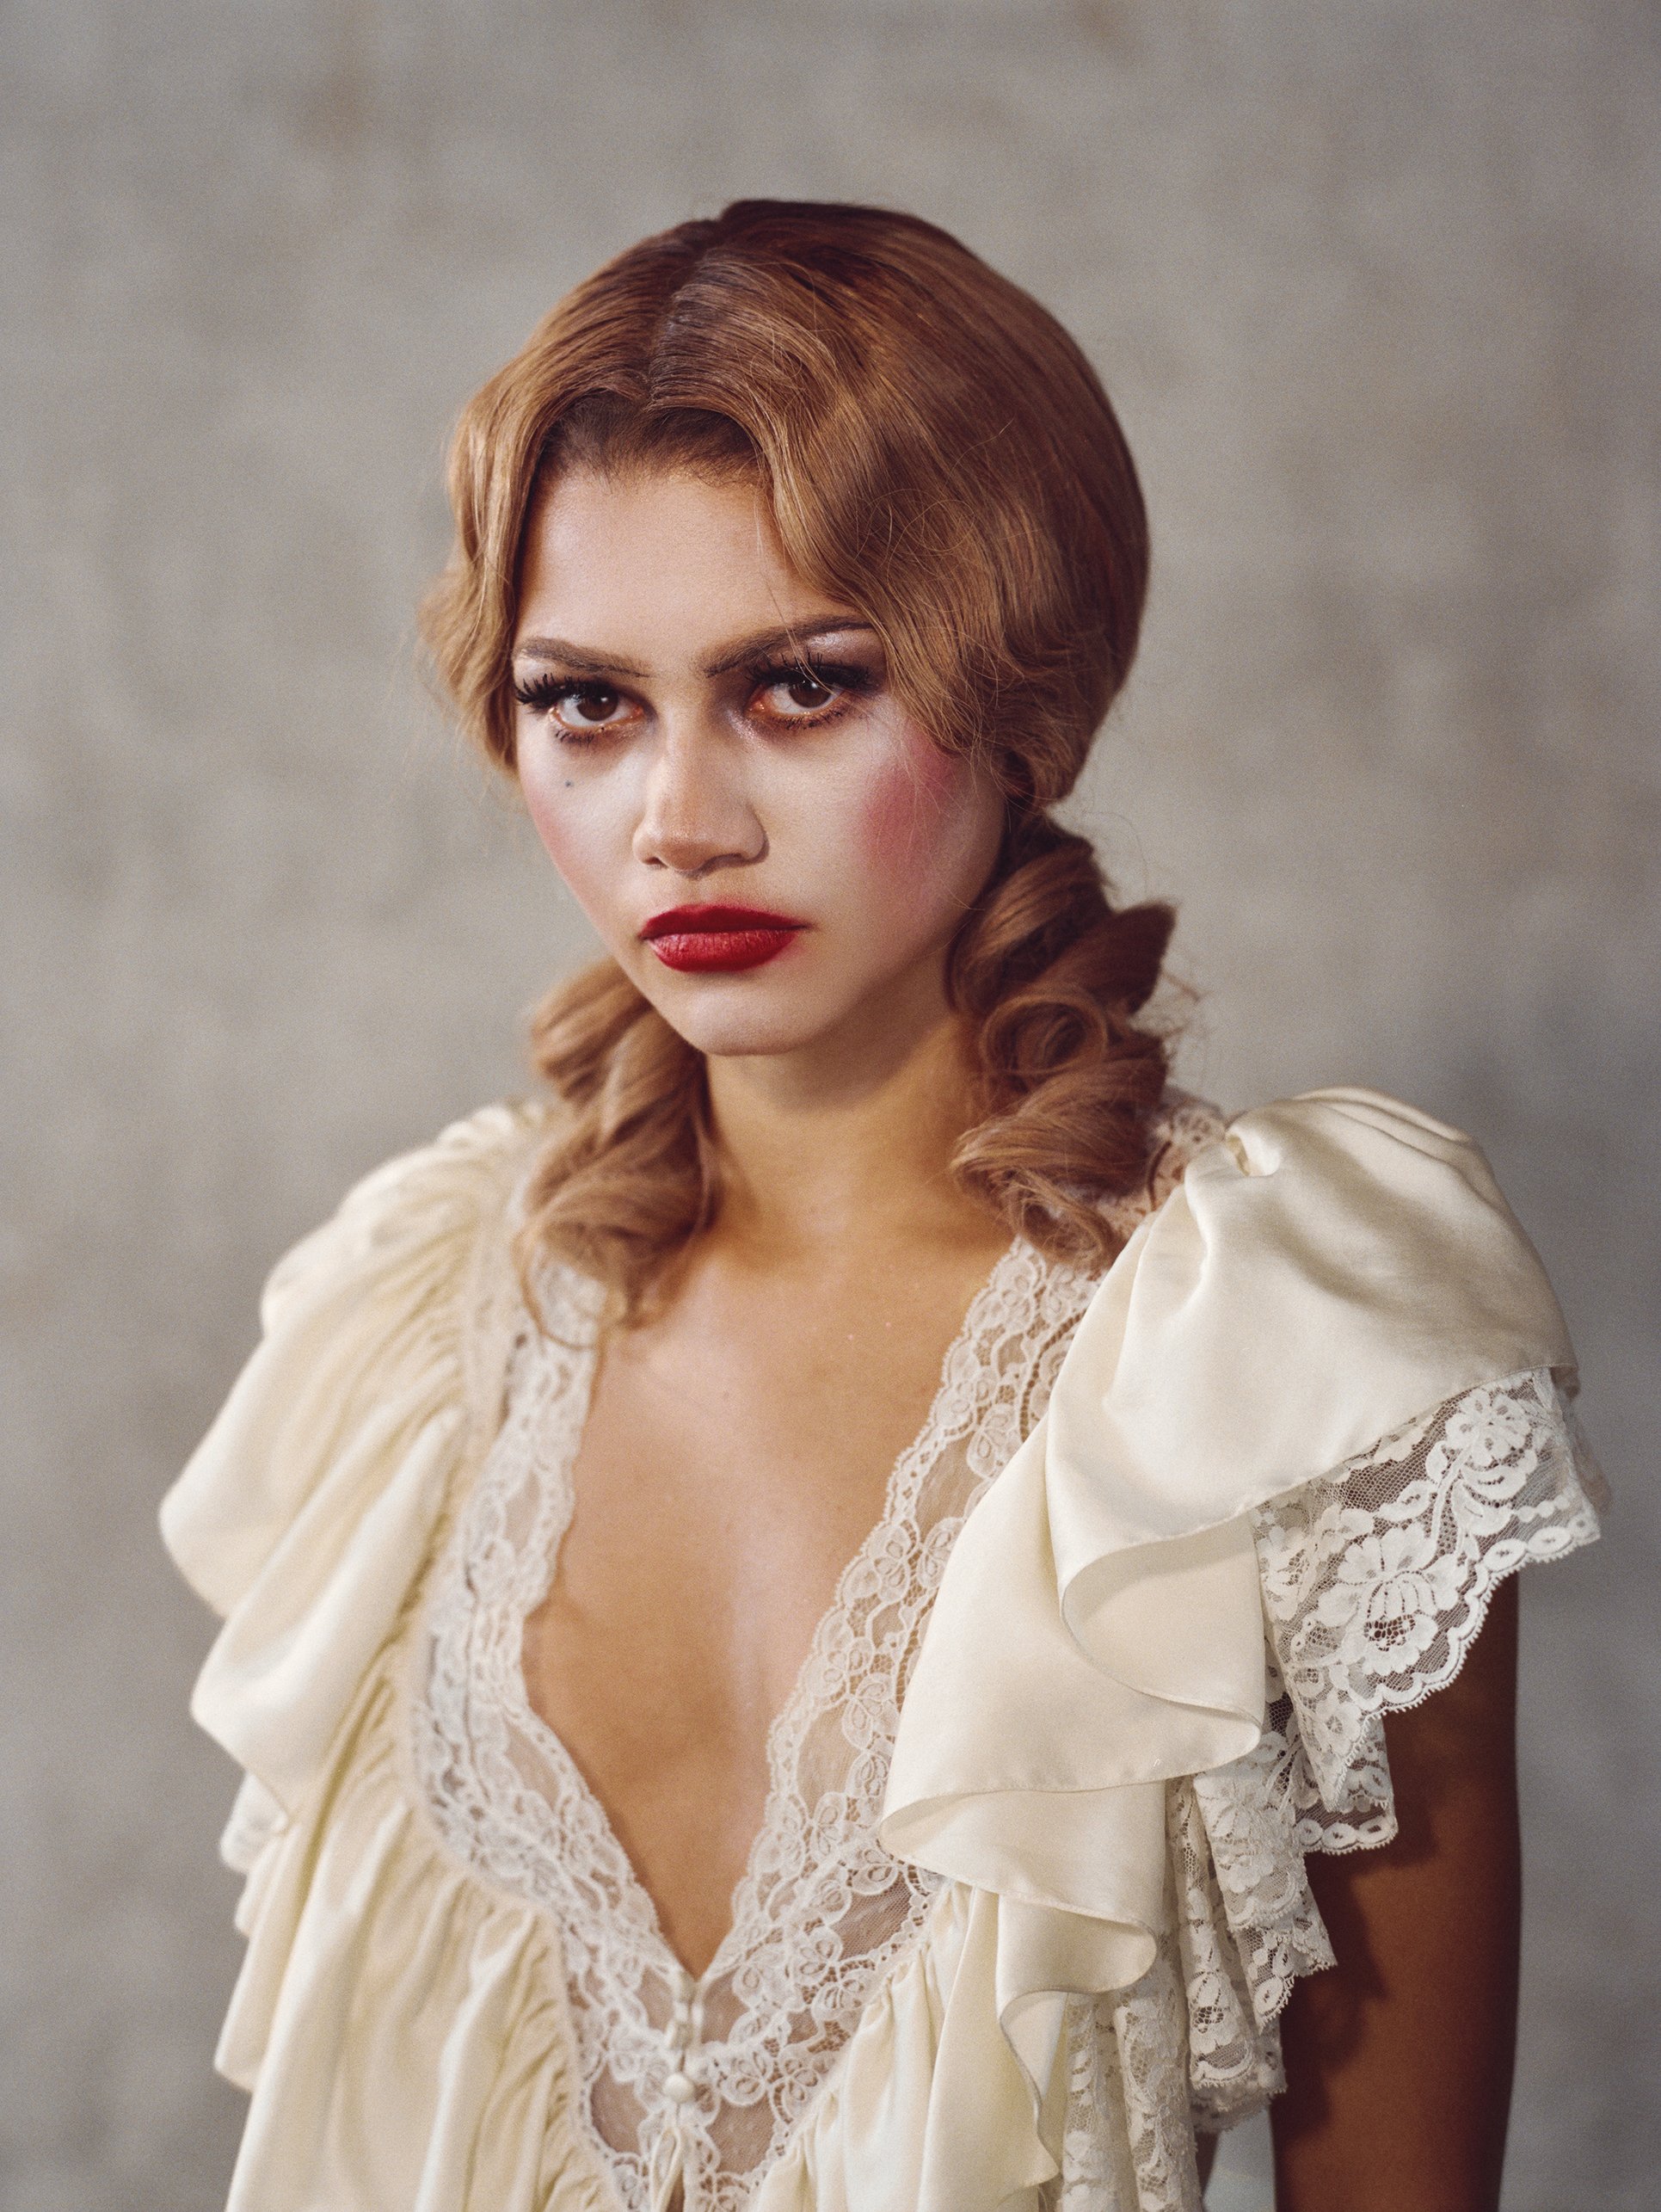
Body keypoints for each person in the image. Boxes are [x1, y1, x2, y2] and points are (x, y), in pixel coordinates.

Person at [162, 200, 1603, 2212]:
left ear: (1021, 693)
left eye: (803, 685)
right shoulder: (407, 1343)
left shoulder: (1288, 1364)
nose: (683, 815)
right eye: (588, 699)